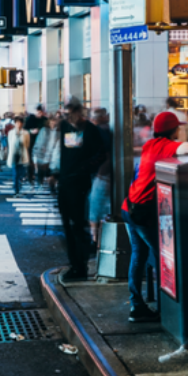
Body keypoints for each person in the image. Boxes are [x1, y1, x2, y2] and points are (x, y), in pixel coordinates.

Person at [123, 111, 188, 322]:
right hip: (143, 212)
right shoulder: (166, 146)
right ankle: (168, 309)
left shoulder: (150, 145)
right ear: (173, 129)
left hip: (129, 207)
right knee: (165, 258)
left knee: (139, 256)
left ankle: (136, 306)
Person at [57, 97, 105, 282]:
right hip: (64, 181)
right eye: (66, 114)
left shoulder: (90, 130)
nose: (69, 118)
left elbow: (101, 154)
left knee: (77, 225)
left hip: (79, 183)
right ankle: (74, 264)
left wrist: (83, 169)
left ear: (79, 112)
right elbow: (61, 151)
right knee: (68, 227)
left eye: (71, 114)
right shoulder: (64, 127)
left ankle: (80, 267)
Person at [89, 108, 113, 244]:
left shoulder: (99, 130)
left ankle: (95, 237)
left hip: (103, 173)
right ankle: (99, 237)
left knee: (96, 205)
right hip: (108, 173)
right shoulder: (110, 128)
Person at [6, 117, 30, 197]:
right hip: (14, 155)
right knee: (15, 174)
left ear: (22, 124)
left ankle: (19, 185)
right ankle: (16, 189)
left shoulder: (26, 133)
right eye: (17, 123)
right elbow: (10, 143)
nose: (18, 125)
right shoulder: (11, 133)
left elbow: (27, 144)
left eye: (20, 123)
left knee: (21, 173)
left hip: (22, 155)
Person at [24, 105, 47, 184]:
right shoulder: (30, 119)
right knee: (30, 161)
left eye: (40, 112)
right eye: (38, 112)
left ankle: (40, 178)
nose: (39, 114)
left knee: (41, 160)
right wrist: (31, 131)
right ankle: (30, 176)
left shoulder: (45, 120)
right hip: (31, 141)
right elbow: (25, 129)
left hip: (42, 143)